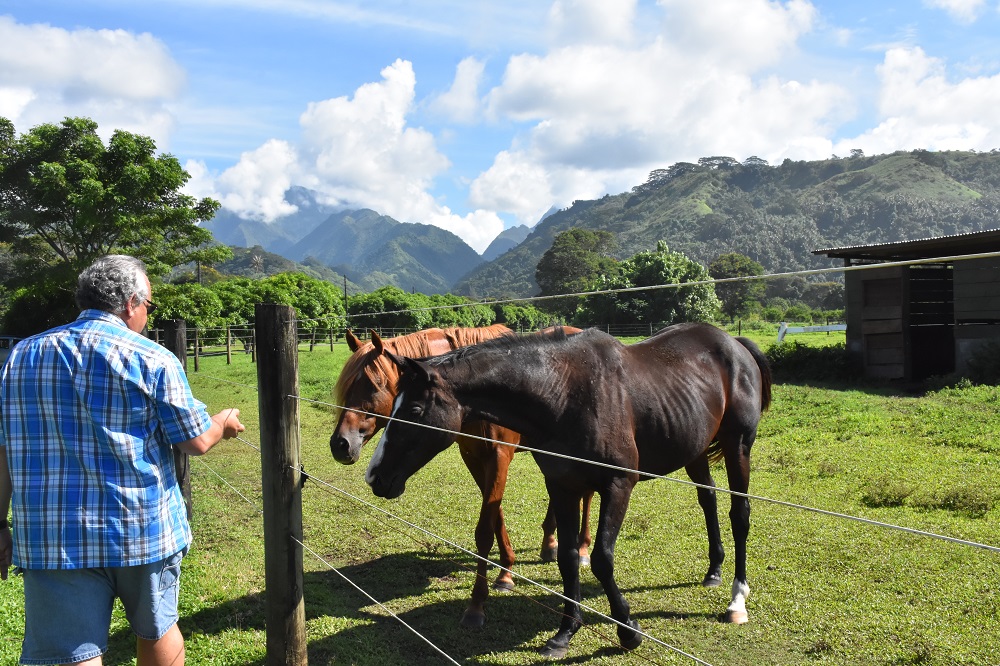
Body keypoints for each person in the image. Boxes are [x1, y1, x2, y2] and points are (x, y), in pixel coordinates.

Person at [0, 254, 245, 666]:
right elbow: (196, 441)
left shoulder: (22, 356)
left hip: (53, 535)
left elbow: (4, 448)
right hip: (141, 529)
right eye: (149, 306)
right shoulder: (153, 358)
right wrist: (223, 421)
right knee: (157, 629)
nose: (147, 316)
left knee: (68, 650)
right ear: (131, 302)